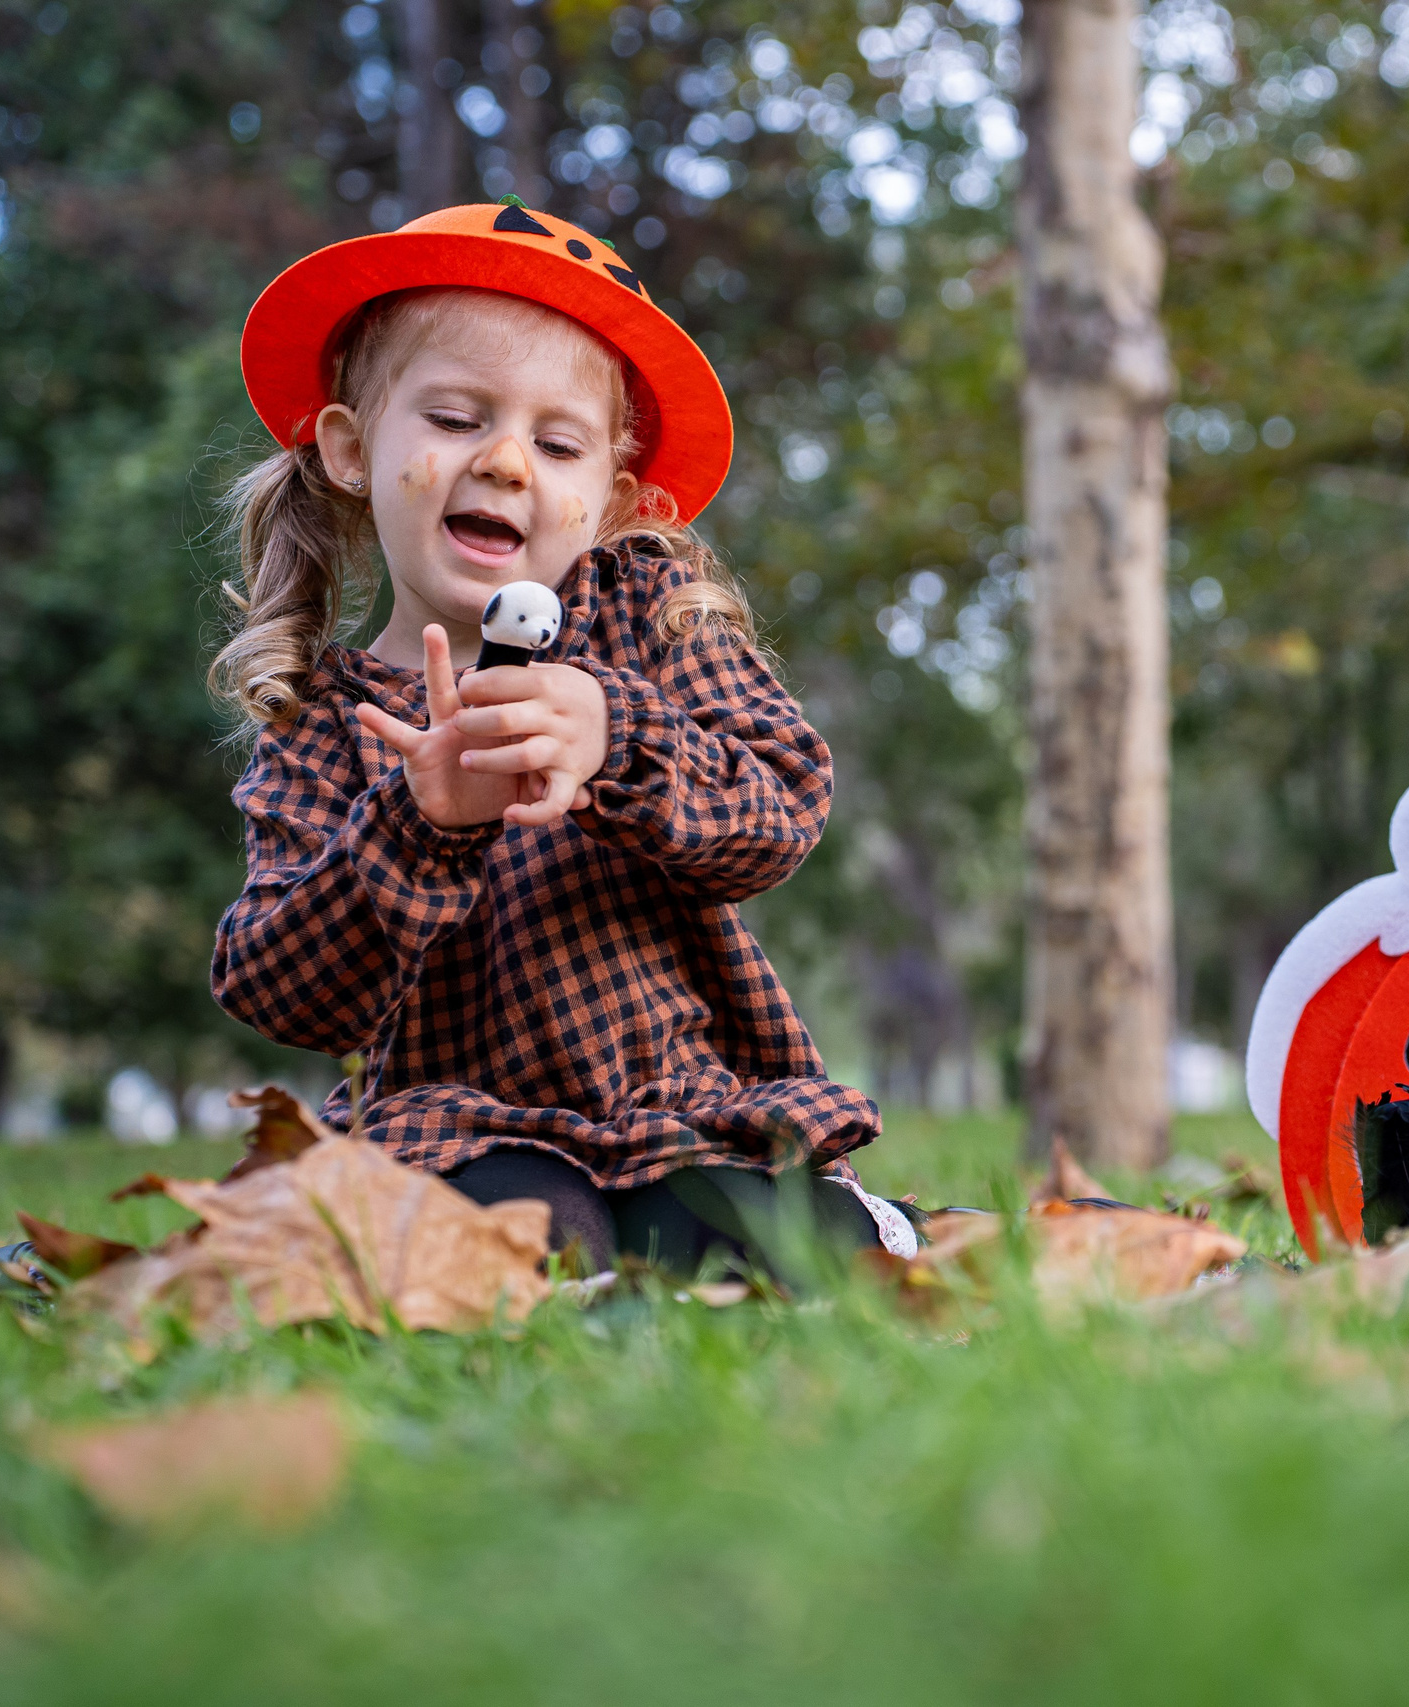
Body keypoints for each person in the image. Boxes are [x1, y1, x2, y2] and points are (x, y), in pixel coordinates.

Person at [208, 200, 912, 1277]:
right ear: (351, 449)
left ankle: (876, 1227)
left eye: (558, 443)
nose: (505, 461)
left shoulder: (650, 619)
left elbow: (779, 809)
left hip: (680, 1107)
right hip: (451, 1129)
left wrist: (616, 732)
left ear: (611, 500)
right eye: (454, 418)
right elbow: (280, 988)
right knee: (517, 1253)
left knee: (785, 1255)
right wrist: (418, 825)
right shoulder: (326, 722)